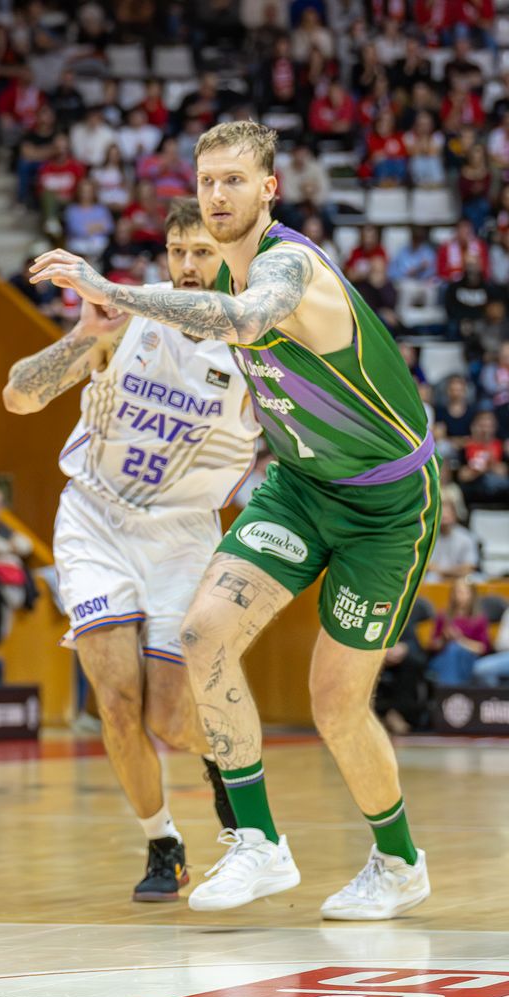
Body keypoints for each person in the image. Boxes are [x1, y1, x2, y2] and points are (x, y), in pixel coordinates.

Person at [32, 120, 436, 919]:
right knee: (203, 632)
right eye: (206, 180)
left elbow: (250, 319)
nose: (218, 195)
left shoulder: (287, 267)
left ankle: (399, 862)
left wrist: (109, 287)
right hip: (300, 487)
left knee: (334, 705)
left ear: (269, 189)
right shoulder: (218, 275)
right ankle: (257, 842)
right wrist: (94, 331)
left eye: (234, 181)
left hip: (385, 505)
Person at [5, 197, 257, 902]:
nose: (186, 266)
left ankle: (224, 771)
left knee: (171, 718)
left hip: (182, 534)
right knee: (116, 702)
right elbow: (19, 398)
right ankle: (163, 842)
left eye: (202, 251)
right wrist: (84, 335)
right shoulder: (129, 316)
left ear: (231, 256)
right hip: (95, 519)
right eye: (177, 250)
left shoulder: (257, 346)